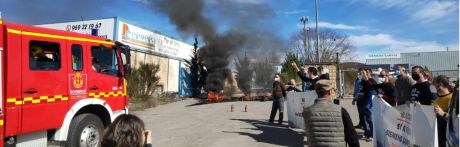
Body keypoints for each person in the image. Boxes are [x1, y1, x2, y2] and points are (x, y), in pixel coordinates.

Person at [303, 80, 360, 147]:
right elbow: (352, 138)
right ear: (328, 92)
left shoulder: (306, 111)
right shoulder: (340, 110)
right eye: (332, 90)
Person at [353, 69, 375, 142]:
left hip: (367, 104)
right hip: (361, 103)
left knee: (369, 120)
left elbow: (371, 90)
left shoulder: (369, 81)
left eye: (364, 73)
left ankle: (372, 135)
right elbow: (359, 92)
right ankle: (367, 134)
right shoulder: (361, 81)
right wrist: (355, 99)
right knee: (363, 120)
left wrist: (366, 78)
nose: (362, 74)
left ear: (367, 74)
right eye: (361, 73)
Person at [433, 75, 453, 147]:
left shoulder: (451, 98)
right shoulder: (437, 98)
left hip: (446, 135)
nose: (435, 87)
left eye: (436, 85)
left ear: (440, 84)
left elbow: (455, 120)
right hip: (437, 133)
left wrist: (443, 114)